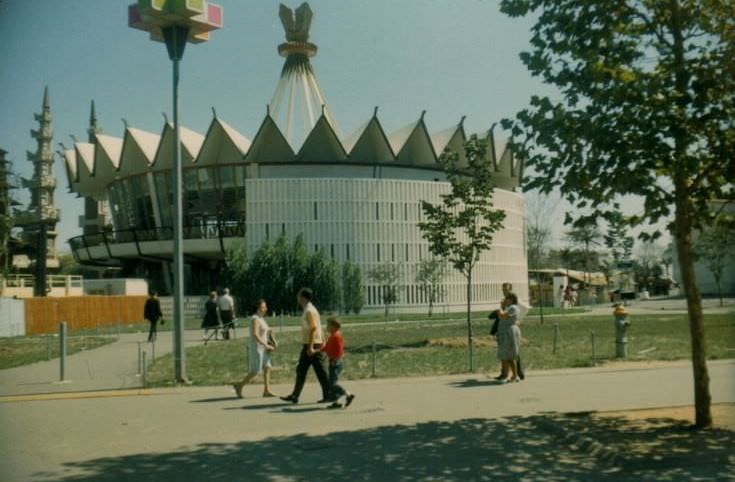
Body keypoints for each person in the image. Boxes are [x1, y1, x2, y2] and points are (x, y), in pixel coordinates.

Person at [280, 288, 331, 404]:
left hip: (312, 344)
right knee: (301, 370)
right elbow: (318, 326)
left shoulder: (309, 311)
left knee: (321, 371)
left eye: (298, 296)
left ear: (303, 298)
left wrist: (311, 347)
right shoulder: (309, 309)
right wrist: (323, 339)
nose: (297, 298)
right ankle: (295, 395)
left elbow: (313, 328)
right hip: (310, 343)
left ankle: (329, 394)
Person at [232, 299, 276, 398]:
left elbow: (268, 331)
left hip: (264, 348)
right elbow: (256, 335)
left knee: (268, 367)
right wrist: (266, 345)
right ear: (258, 308)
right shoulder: (255, 318)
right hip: (257, 348)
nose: (265, 309)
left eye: (265, 307)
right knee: (255, 371)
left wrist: (273, 341)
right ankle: (239, 386)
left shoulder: (262, 318)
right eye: (263, 307)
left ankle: (266, 391)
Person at [491, 283, 526, 380]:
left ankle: (517, 373)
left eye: (506, 290)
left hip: (510, 330)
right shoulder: (506, 303)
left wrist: (517, 320)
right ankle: (506, 373)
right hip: (505, 329)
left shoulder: (514, 303)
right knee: (506, 353)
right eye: (503, 290)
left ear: (510, 289)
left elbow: (509, 314)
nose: (504, 292)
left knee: (512, 354)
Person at [321, 317, 355, 409]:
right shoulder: (332, 336)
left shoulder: (336, 336)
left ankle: (348, 394)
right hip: (332, 361)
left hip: (335, 362)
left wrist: (335, 359)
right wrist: (319, 350)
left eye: (328, 325)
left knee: (333, 384)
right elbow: (327, 348)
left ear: (334, 326)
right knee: (332, 383)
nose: (326, 327)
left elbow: (339, 350)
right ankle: (335, 402)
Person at [497, 292, 522, 383]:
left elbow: (502, 316)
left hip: (508, 333)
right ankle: (515, 376)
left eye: (506, 298)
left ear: (511, 299)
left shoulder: (513, 308)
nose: (505, 300)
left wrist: (500, 308)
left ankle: (505, 376)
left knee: (506, 354)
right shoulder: (510, 308)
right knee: (510, 355)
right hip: (507, 332)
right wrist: (503, 307)